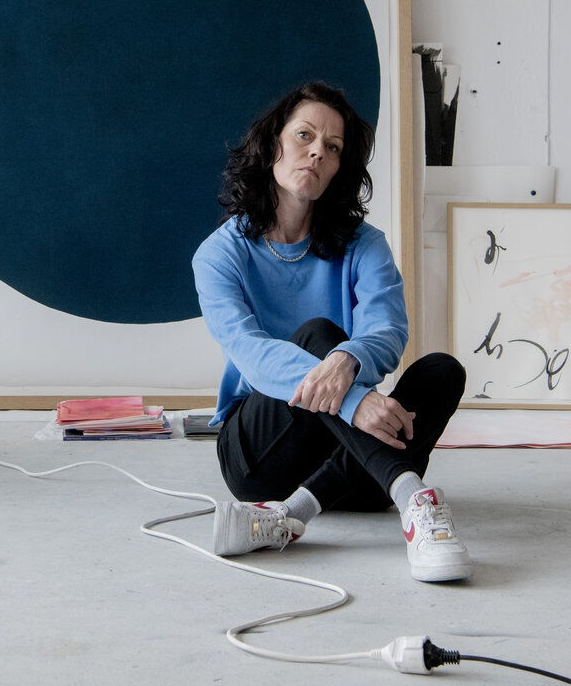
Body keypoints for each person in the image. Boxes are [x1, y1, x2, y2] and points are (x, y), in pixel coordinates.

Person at [191, 81, 471, 582]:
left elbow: (388, 329)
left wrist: (349, 365)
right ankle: (415, 499)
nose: (317, 150)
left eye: (333, 147)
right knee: (320, 333)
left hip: (352, 468)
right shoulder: (219, 254)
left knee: (441, 371)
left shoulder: (365, 246)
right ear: (272, 144)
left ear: (340, 168)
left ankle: (291, 515)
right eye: (304, 135)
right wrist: (352, 400)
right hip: (261, 455)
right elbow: (252, 354)